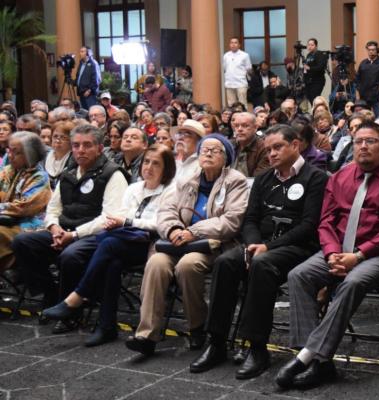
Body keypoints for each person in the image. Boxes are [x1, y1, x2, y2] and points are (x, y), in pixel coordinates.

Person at [275, 121, 379, 389]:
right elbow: (326, 221)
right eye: (358, 141)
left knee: (352, 282)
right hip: (339, 250)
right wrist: (332, 253)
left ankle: (305, 357)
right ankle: (320, 363)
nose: (362, 146)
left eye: (370, 141)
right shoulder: (341, 176)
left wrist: (358, 256)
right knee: (299, 275)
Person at [190, 124, 328, 378]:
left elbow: (309, 225)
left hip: (297, 247)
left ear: (295, 145)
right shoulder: (264, 179)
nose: (272, 153)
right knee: (225, 262)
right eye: (269, 149)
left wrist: (266, 247)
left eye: (278, 147)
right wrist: (254, 244)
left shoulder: (316, 177)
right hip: (260, 244)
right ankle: (216, 342)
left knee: (262, 264)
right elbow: (250, 219)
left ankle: (257, 348)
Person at [126, 134, 249, 355]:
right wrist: (173, 229)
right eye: (204, 150)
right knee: (156, 262)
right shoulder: (186, 180)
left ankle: (197, 326)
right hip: (179, 241)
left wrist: (193, 232)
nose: (208, 153)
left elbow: (231, 221)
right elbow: (167, 211)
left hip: (213, 243)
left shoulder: (235, 181)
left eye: (215, 150)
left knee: (188, 265)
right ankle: (147, 334)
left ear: (227, 158)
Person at [42, 145, 175, 346]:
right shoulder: (134, 188)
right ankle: (106, 326)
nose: (149, 167)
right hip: (125, 240)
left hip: (151, 244)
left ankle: (78, 296)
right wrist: (117, 222)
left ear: (166, 169)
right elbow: (120, 214)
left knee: (109, 245)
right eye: (146, 161)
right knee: (112, 262)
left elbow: (160, 224)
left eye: (156, 163)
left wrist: (127, 222)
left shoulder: (171, 191)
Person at [13, 124, 129, 333]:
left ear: (99, 148)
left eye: (87, 145)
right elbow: (53, 208)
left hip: (96, 235)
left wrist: (73, 235)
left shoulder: (113, 174)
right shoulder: (69, 172)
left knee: (70, 255)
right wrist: (54, 227)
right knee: (23, 242)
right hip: (64, 230)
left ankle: (71, 313)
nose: (80, 150)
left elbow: (109, 218)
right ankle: (51, 294)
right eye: (76, 145)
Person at [0, 132, 52, 272]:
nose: (10, 155)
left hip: (28, 223)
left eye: (16, 152)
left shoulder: (39, 177)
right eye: (9, 150)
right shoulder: (8, 171)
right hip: (5, 219)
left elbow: (23, 207)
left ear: (30, 154)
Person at [231, 112, 270, 177]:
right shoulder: (230, 146)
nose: (239, 129)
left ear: (255, 127)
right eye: (236, 126)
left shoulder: (264, 148)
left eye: (245, 126)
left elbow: (259, 177)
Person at [223, 37, 252, 107]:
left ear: (239, 45)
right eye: (231, 43)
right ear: (229, 45)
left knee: (242, 104)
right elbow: (225, 68)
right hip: (229, 83)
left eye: (235, 43)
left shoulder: (244, 55)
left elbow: (249, 68)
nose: (233, 44)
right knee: (231, 105)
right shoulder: (226, 55)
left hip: (241, 83)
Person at [45, 121, 75, 189]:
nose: (58, 141)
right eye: (55, 136)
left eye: (63, 137)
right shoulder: (44, 156)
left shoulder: (74, 160)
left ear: (71, 141)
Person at [75, 46, 101, 110]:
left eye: (82, 51)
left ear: (88, 53)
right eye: (80, 51)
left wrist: (89, 90)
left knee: (91, 111)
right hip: (81, 92)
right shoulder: (81, 63)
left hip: (89, 94)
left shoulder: (93, 63)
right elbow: (79, 77)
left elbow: (97, 80)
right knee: (84, 112)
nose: (80, 53)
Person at [303, 38, 328, 104]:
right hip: (309, 81)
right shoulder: (308, 55)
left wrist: (309, 68)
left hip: (317, 81)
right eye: (308, 45)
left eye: (312, 45)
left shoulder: (320, 54)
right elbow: (307, 68)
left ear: (316, 46)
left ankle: (318, 109)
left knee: (315, 99)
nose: (310, 47)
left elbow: (321, 67)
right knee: (310, 99)